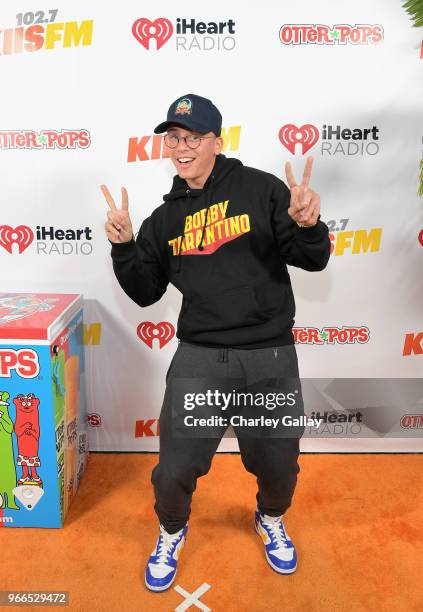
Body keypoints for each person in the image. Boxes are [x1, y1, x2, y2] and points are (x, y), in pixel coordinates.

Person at [101, 94, 331, 592]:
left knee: (278, 466)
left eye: (192, 137)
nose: (181, 148)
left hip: (269, 355)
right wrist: (123, 248)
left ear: (216, 142)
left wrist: (310, 225)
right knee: (175, 469)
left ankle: (269, 517)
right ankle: (171, 529)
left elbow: (312, 260)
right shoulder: (164, 220)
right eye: (173, 138)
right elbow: (144, 293)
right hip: (200, 358)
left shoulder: (262, 190)